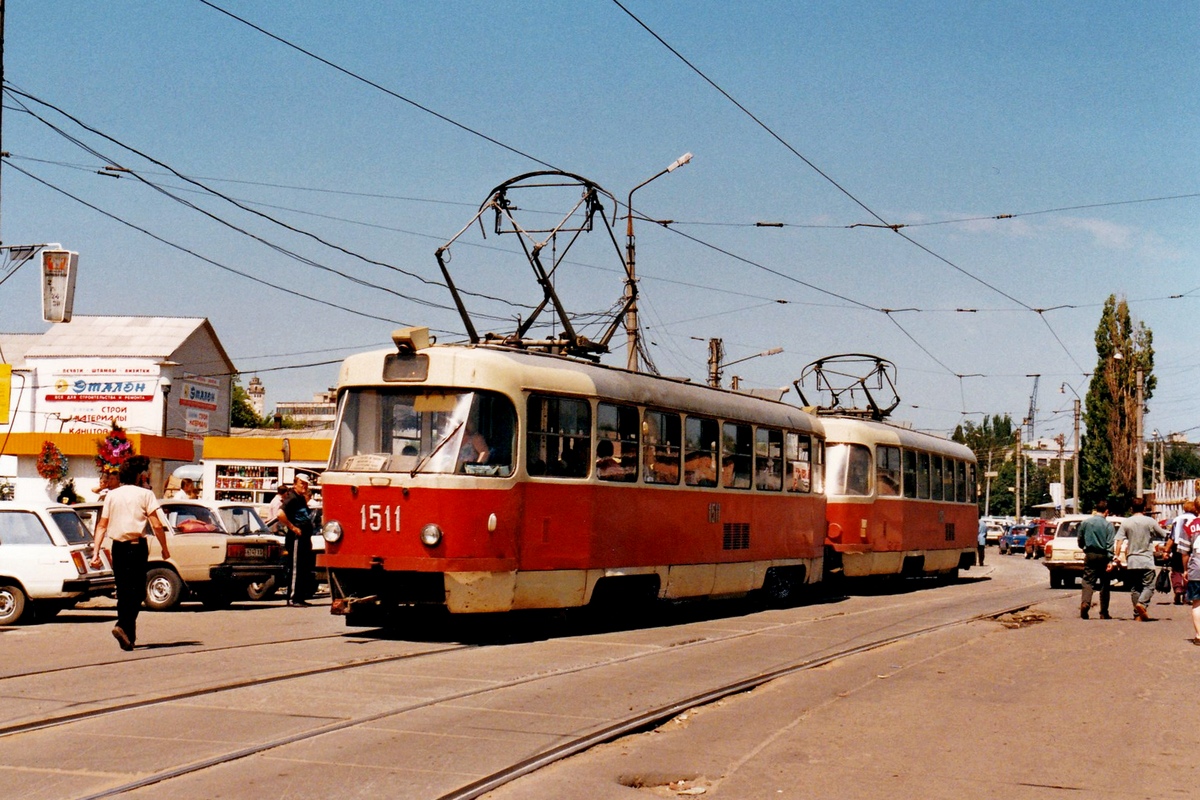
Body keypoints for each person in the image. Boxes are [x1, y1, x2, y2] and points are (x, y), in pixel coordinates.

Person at [89, 456, 170, 651]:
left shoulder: (112, 495)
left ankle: (128, 636)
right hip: (136, 547)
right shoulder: (145, 495)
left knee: (124, 591)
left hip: (117, 548)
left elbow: (102, 525)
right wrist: (165, 548)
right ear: (139, 476)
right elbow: (156, 524)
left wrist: (95, 552)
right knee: (138, 592)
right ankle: (122, 625)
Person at [1115, 496, 1159, 621]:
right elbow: (1162, 533)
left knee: (1135, 587)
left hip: (1132, 560)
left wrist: (1116, 556)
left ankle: (1137, 614)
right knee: (1149, 586)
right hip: (1146, 559)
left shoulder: (1126, 522)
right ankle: (1142, 603)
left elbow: (1119, 540)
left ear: (1131, 509)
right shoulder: (1150, 521)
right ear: (1144, 508)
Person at [276, 474, 315, 606]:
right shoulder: (291, 498)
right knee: (296, 568)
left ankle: (300, 597)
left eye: (306, 484)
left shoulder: (301, 499)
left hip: (305, 537)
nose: (304, 486)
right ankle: (293, 598)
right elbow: (280, 514)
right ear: (295, 484)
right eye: (301, 483)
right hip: (296, 538)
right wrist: (293, 527)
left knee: (304, 568)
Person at [1076, 499, 1115, 620]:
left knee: (1088, 580)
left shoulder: (1085, 523)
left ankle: (1085, 603)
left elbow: (1080, 540)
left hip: (1090, 555)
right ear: (1106, 511)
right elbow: (1110, 544)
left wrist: (1083, 547)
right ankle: (1103, 612)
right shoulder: (1108, 525)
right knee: (1104, 584)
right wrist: (1110, 560)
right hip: (1103, 555)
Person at [1175, 509, 1200, 645]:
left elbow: (1184, 552)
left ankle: (1199, 635)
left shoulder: (1190, 525)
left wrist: (1185, 570)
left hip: (1196, 568)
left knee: (1197, 603)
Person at [1171, 500, 1197, 605]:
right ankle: (1187, 594)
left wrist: (1166, 550)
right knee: (1189, 570)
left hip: (1177, 546)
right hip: (1192, 547)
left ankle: (1178, 588)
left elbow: (1172, 537)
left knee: (1177, 569)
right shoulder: (1195, 520)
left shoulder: (1176, 519)